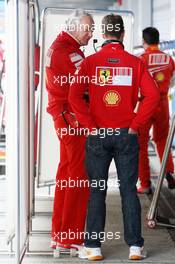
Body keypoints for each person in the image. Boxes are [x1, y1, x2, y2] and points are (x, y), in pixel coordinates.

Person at [69, 14, 160, 261]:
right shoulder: (136, 63)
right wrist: (136, 124)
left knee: (97, 190)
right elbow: (153, 96)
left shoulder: (90, 63)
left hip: (99, 135)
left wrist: (90, 125)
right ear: (121, 35)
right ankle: (134, 248)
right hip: (126, 135)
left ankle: (94, 247)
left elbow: (73, 96)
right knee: (128, 190)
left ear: (104, 33)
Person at [45, 10, 94, 250]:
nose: (90, 33)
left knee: (66, 175)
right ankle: (72, 237)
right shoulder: (70, 53)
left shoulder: (59, 46)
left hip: (62, 117)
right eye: (87, 28)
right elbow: (85, 87)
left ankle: (59, 235)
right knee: (78, 177)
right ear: (74, 27)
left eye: (92, 28)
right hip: (71, 120)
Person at [137, 27, 175, 194]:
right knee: (162, 140)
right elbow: (172, 81)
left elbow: (135, 86)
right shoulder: (169, 59)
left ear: (144, 41)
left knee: (141, 144)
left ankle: (145, 184)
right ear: (158, 41)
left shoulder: (141, 60)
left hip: (145, 104)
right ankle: (169, 172)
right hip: (163, 103)